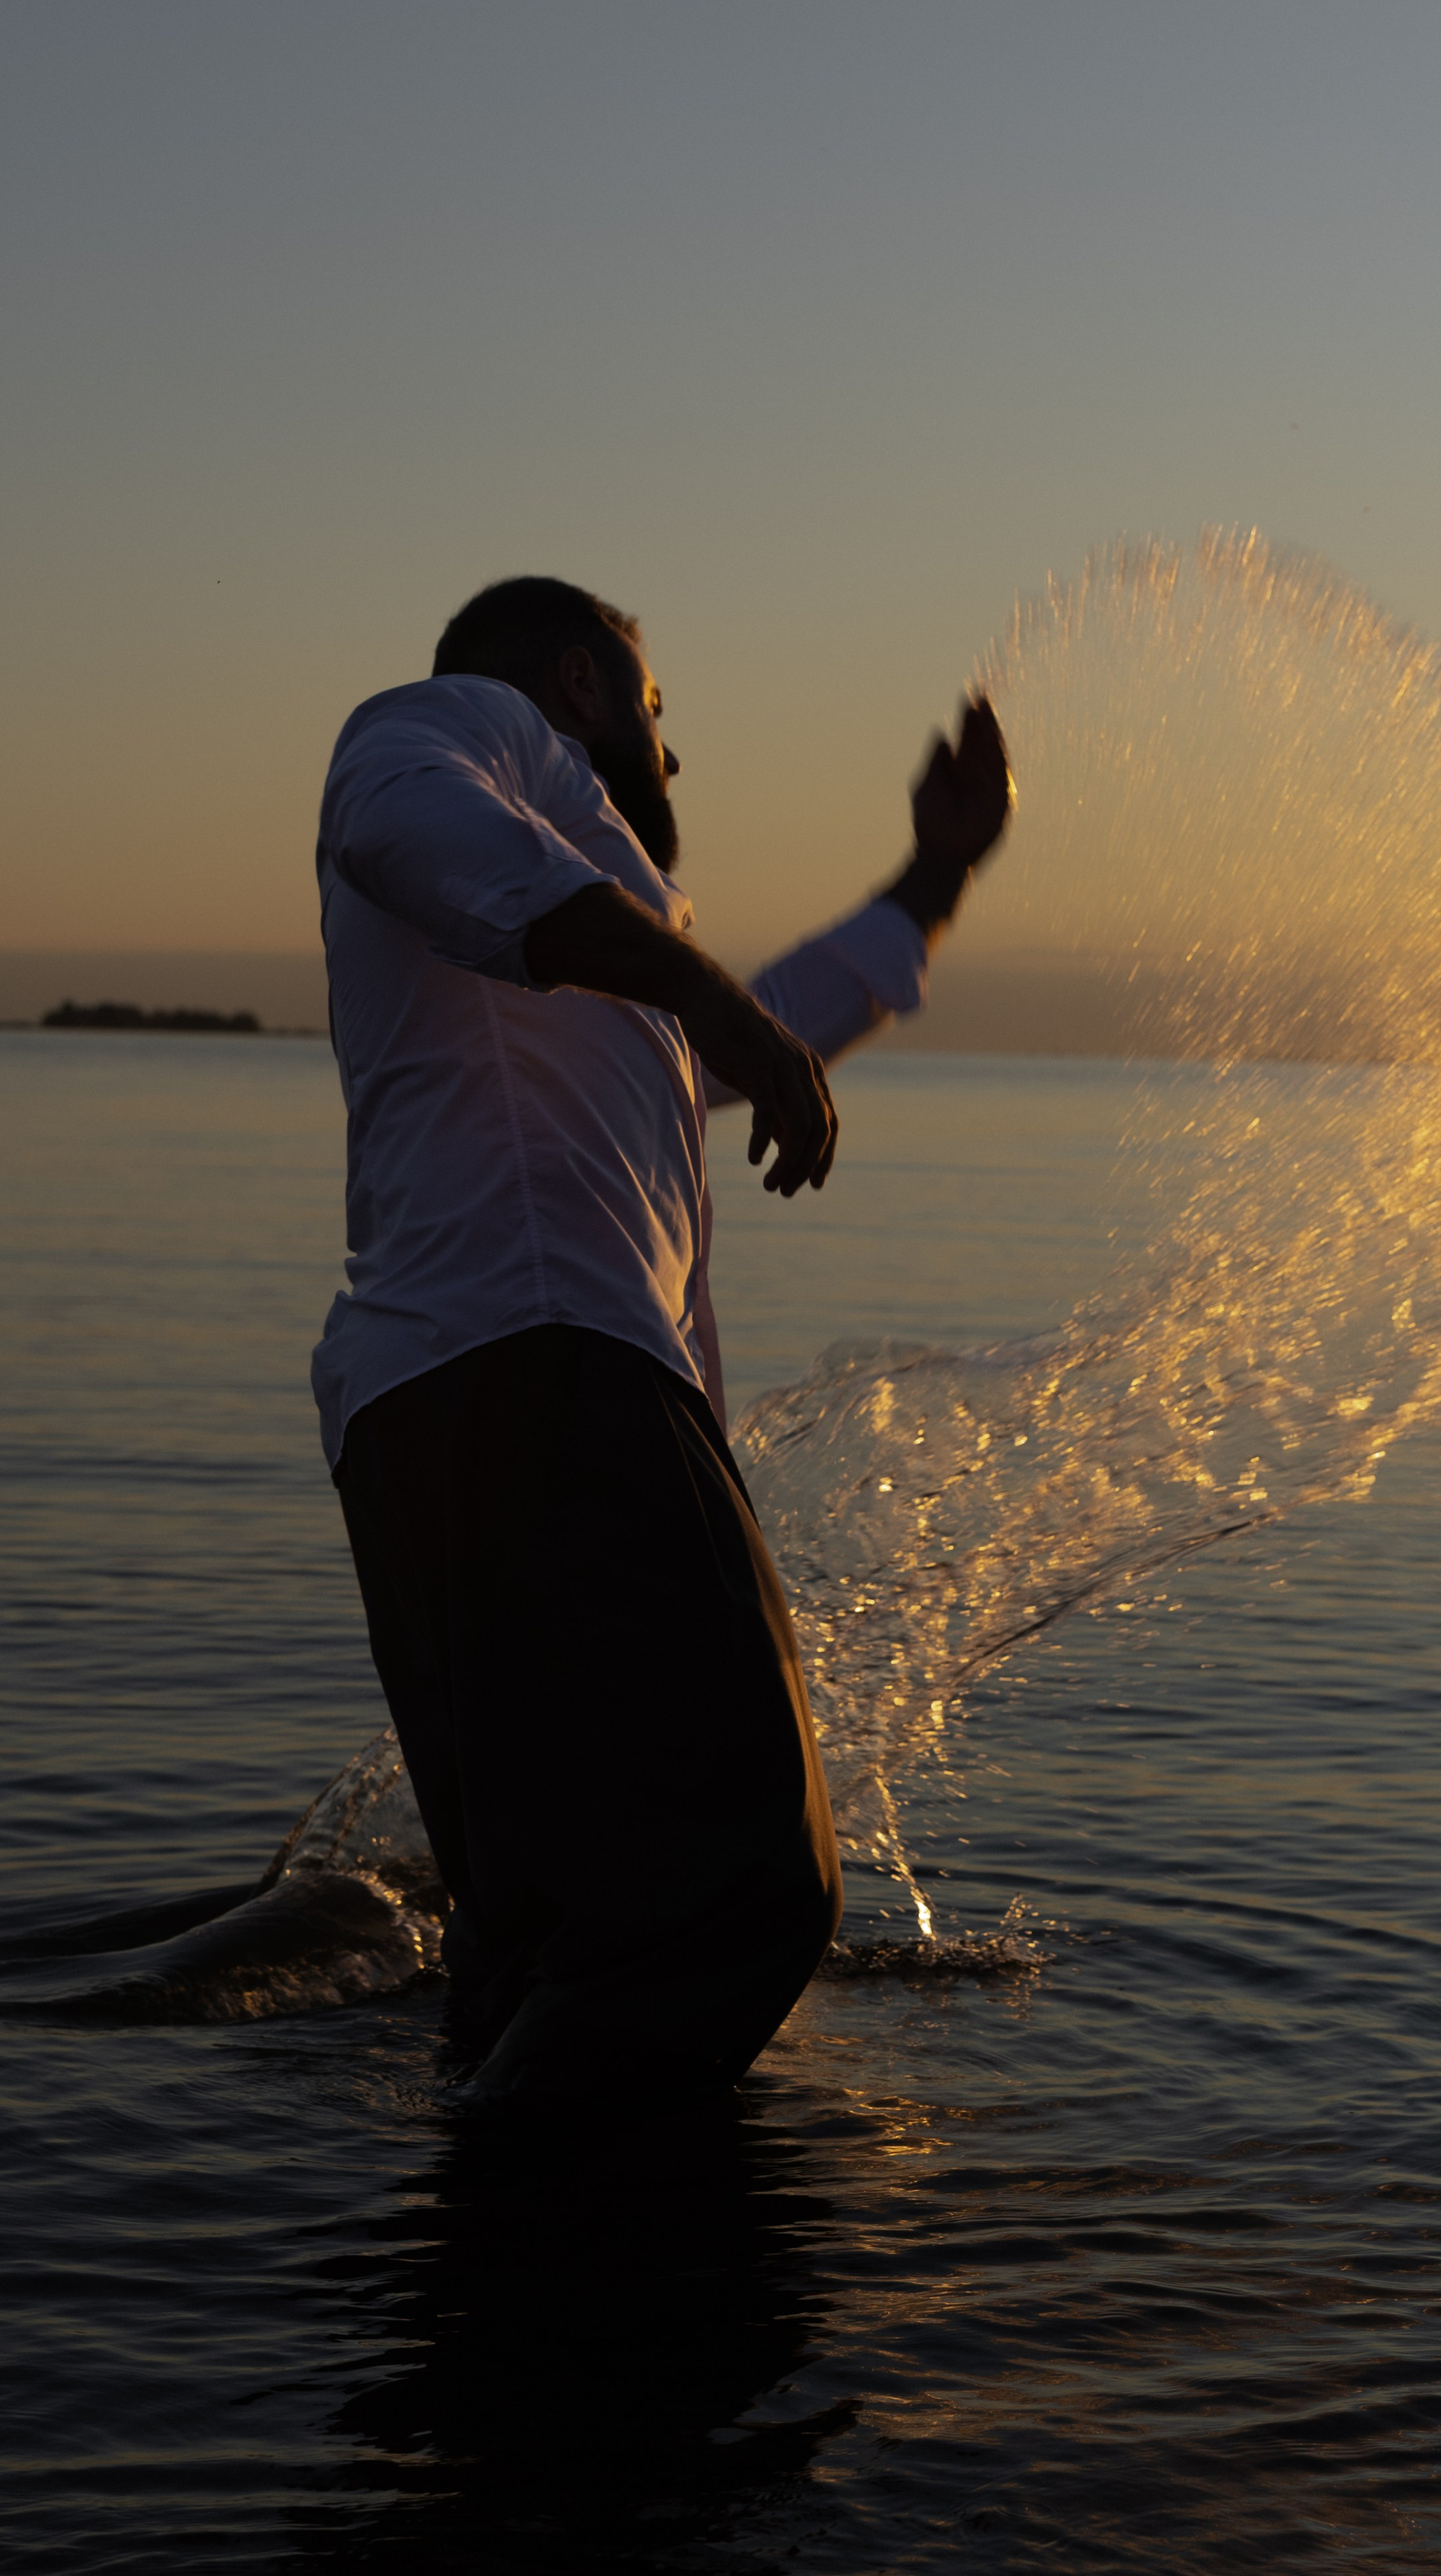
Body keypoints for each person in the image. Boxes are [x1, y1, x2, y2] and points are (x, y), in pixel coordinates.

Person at [312, 576, 1012, 2109]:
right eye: (655, 711)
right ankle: (576, 2280)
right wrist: (722, 1012)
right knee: (738, 1886)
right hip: (536, 1378)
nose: (670, 759)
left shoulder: (586, 963)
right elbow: (394, 818)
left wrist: (930, 878)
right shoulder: (452, 725)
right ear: (578, 682)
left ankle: (488, 2309)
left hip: (453, 1411)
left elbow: (752, 1018)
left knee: (541, 1940)